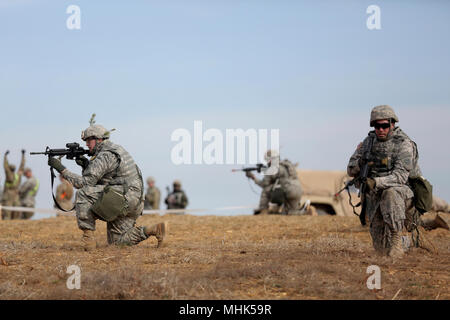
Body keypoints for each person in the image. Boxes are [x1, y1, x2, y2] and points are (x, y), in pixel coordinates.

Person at [47, 115, 167, 251]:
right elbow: (105, 180)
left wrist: (61, 169)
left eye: (88, 141)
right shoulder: (116, 150)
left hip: (122, 199)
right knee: (117, 242)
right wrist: (86, 166)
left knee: (83, 194)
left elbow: (85, 184)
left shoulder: (105, 155)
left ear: (98, 140)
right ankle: (154, 229)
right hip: (132, 201)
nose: (86, 144)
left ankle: (88, 242)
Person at [347, 105, 430, 259]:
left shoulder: (403, 144)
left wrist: (375, 182)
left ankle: (397, 240)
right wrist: (361, 162)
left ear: (392, 124)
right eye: (377, 126)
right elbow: (350, 169)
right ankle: (408, 242)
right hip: (375, 196)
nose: (381, 130)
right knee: (381, 250)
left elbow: (400, 177)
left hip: (402, 194)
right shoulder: (368, 143)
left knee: (390, 192)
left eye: (385, 125)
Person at [246, 150, 303, 215]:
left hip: (287, 191)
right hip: (298, 190)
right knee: (293, 213)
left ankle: (263, 210)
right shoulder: (287, 165)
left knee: (266, 190)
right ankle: (307, 211)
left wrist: (253, 177)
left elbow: (264, 184)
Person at [2, 150, 25, 220]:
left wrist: (23, 155)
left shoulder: (17, 175)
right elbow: (6, 166)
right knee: (7, 212)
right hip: (9, 194)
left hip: (14, 194)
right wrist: (5, 156)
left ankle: (15, 221)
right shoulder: (11, 174)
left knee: (16, 210)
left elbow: (21, 166)